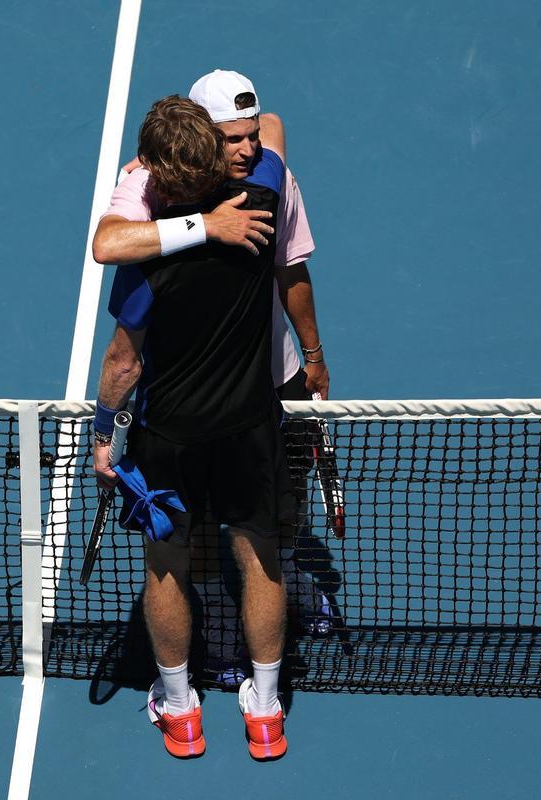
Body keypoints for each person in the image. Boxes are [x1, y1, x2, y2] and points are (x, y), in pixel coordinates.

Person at [94, 70, 336, 687]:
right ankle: (225, 617)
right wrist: (202, 220)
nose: (247, 149)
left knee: (285, 493)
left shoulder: (270, 177)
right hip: (191, 397)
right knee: (197, 523)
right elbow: (106, 244)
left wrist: (312, 354)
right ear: (200, 138)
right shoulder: (151, 190)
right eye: (230, 139)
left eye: (250, 136)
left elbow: (292, 270)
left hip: (268, 378)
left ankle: (285, 583)